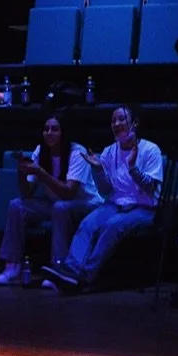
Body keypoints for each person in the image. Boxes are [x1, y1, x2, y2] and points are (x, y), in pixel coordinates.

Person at [40, 106, 164, 292]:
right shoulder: (108, 152)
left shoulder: (150, 149)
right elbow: (106, 190)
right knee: (88, 224)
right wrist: (98, 170)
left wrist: (133, 168)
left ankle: (85, 277)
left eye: (121, 119)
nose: (117, 124)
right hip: (114, 204)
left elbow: (151, 188)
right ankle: (70, 270)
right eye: (113, 121)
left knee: (112, 225)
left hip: (144, 207)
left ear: (135, 123)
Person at [0, 113, 100, 284]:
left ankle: (58, 269)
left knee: (60, 207)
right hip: (56, 204)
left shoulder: (77, 152)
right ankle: (12, 265)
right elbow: (27, 194)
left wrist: (41, 173)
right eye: (46, 129)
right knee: (17, 205)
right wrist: (22, 172)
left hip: (85, 205)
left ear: (63, 133)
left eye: (55, 129)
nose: (49, 133)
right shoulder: (40, 151)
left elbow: (69, 193)